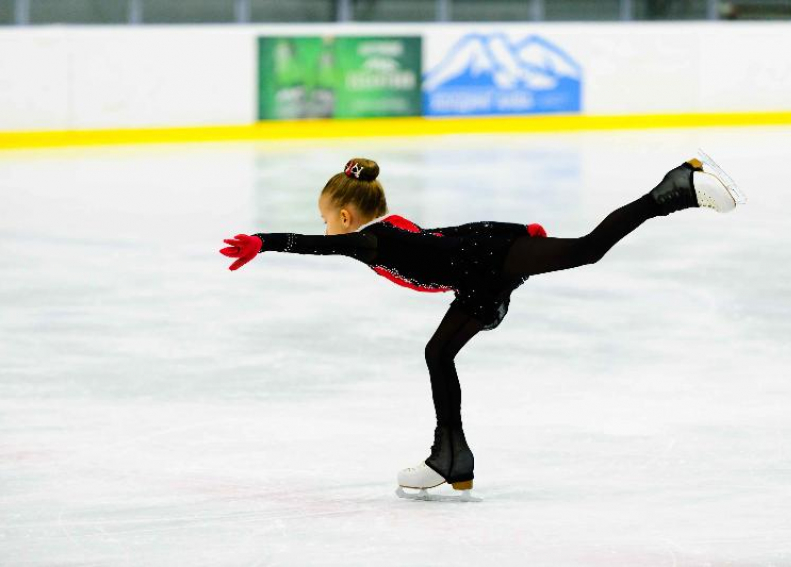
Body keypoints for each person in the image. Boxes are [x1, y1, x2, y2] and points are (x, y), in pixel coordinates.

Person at [220, 153, 745, 501]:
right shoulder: (392, 229)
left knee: (588, 249)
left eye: (326, 217)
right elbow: (430, 240)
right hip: (476, 276)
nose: (325, 227)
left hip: (489, 256)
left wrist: (265, 241)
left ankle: (674, 189)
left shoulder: (368, 240)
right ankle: (450, 457)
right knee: (437, 354)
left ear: (345, 216)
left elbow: (320, 245)